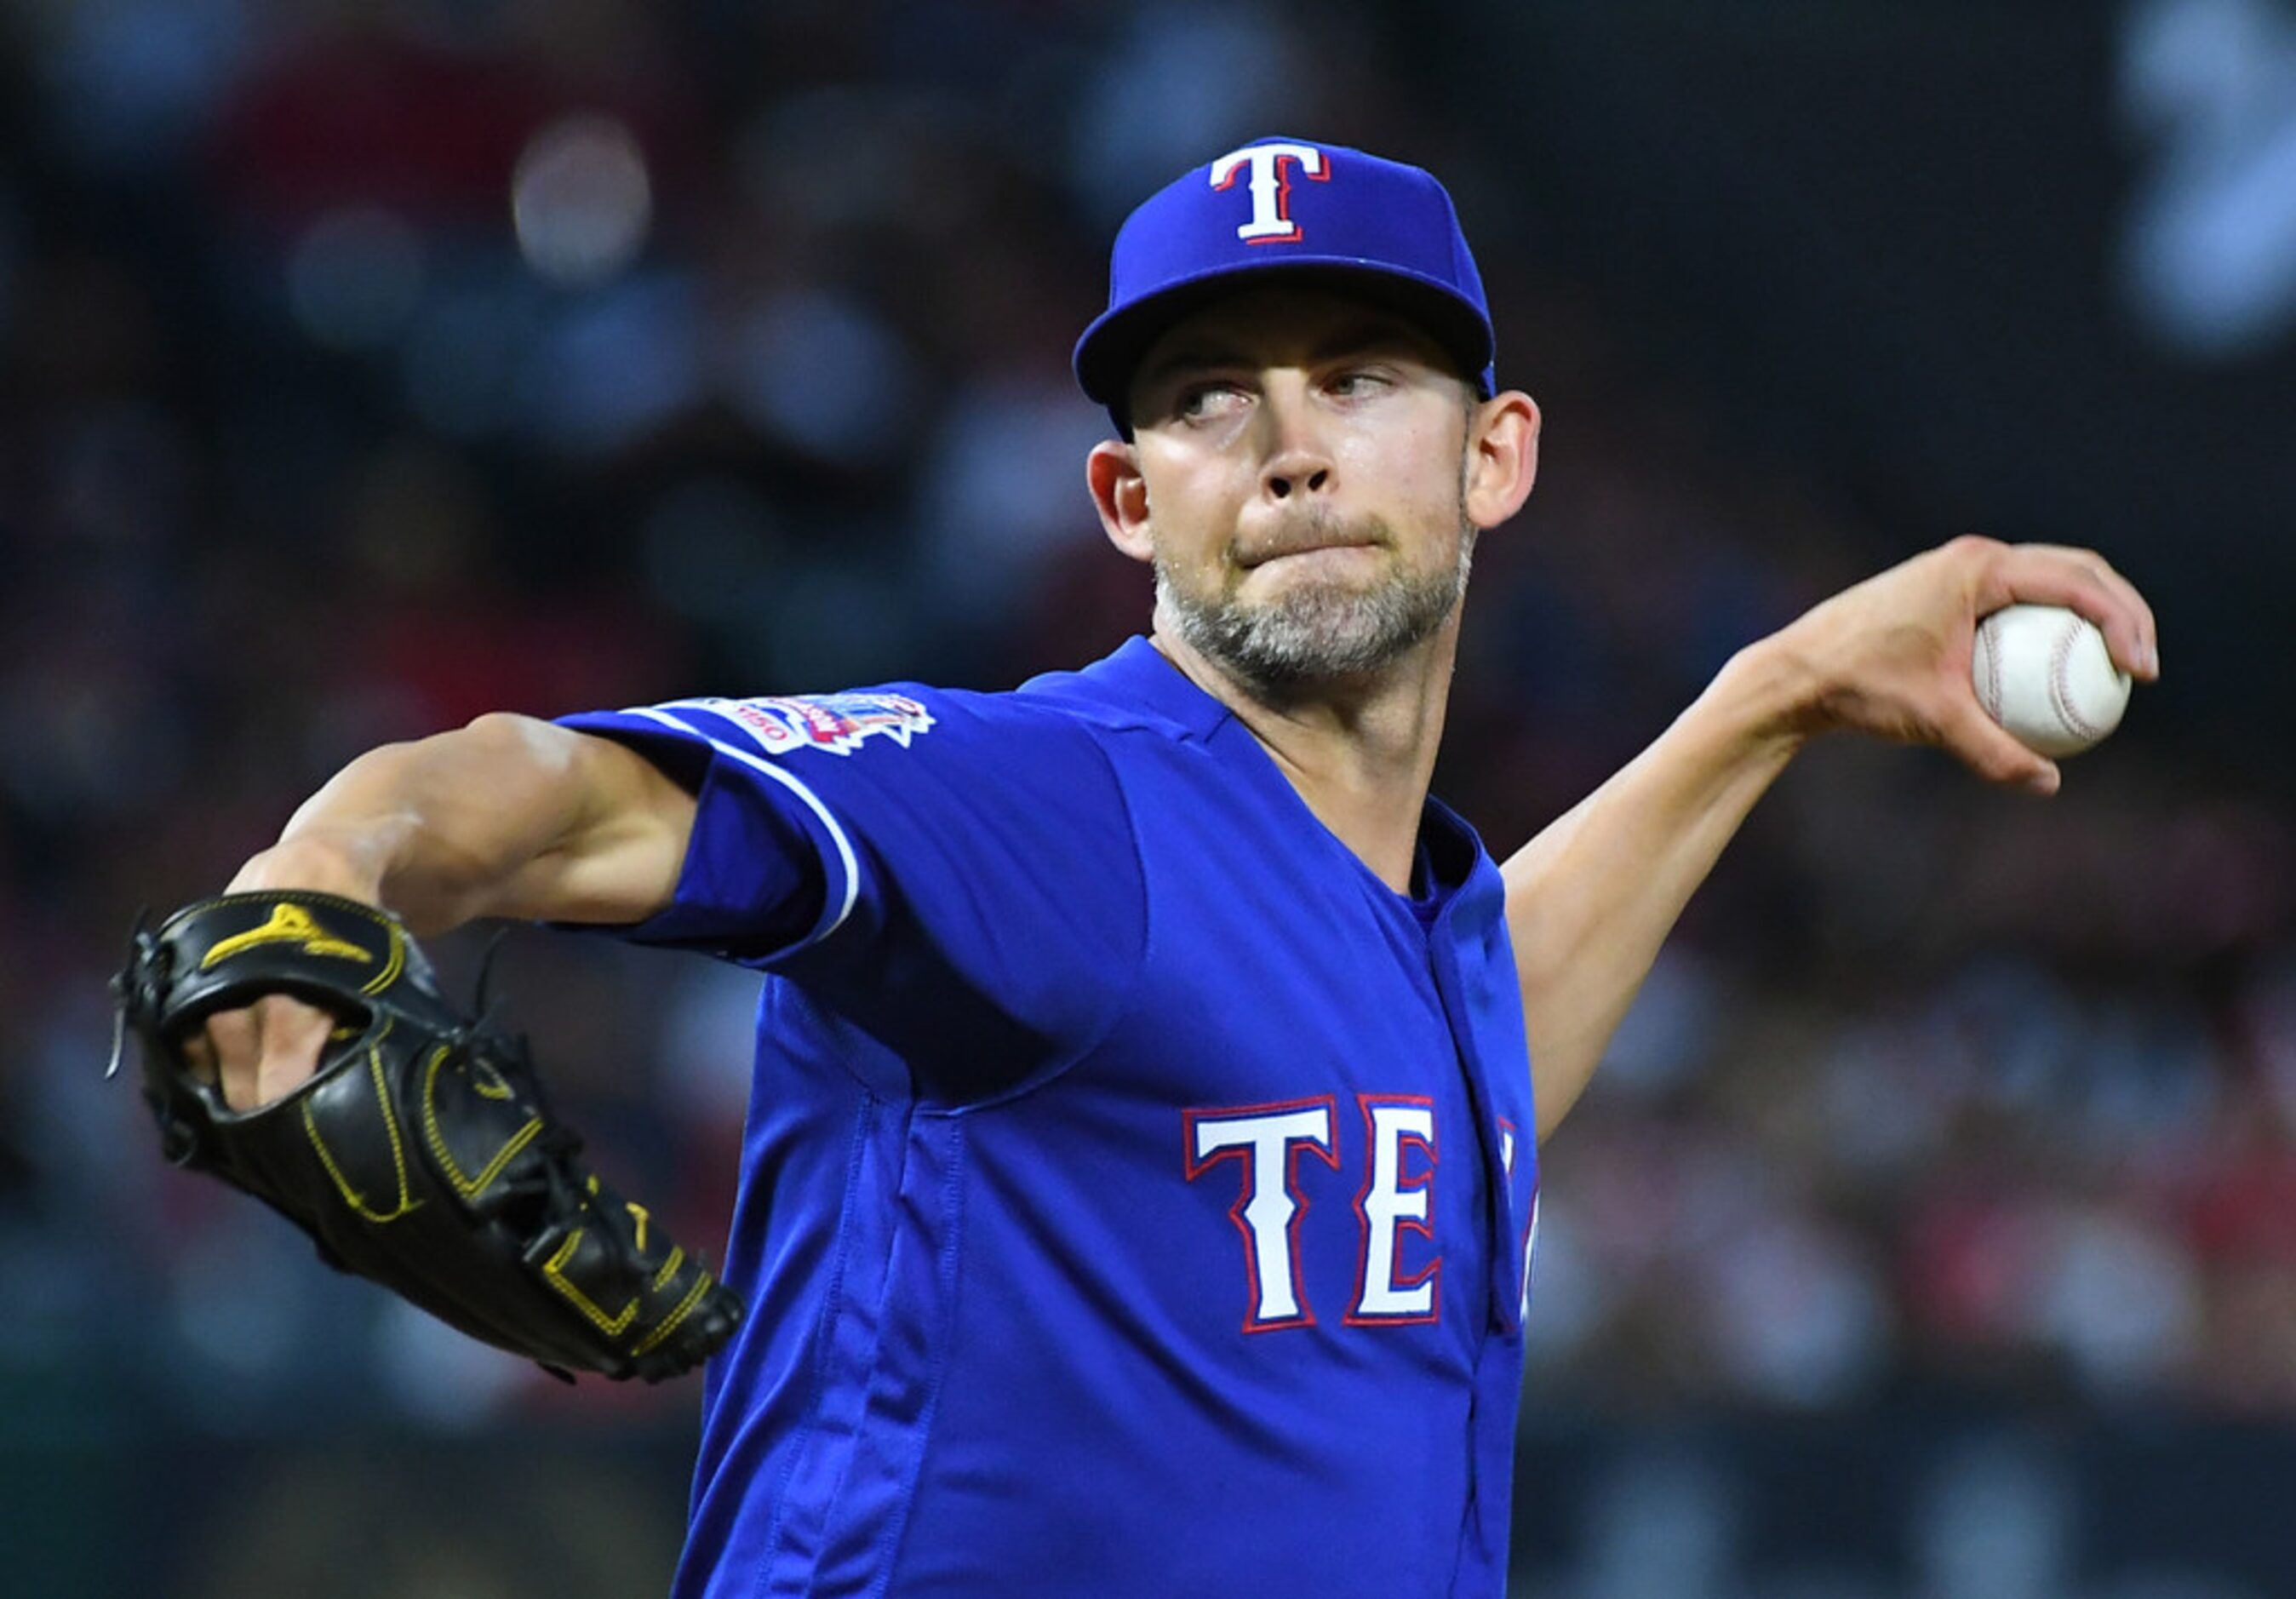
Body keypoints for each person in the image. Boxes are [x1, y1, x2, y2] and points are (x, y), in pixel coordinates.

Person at [181, 137, 2159, 1596]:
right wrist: (316, 892)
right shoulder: (1053, 804)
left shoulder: (1369, 921)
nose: (1288, 446)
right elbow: (544, 792)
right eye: (1210, 398)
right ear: (1130, 501)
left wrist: (1771, 696)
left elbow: (1436, 1078)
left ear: (1495, 458)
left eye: (1360, 377)